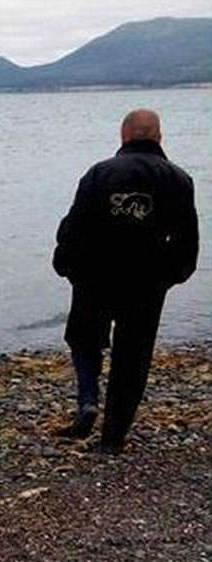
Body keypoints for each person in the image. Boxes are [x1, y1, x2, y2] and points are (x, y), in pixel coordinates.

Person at [52, 108, 198, 454]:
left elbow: (75, 226)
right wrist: (171, 276)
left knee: (83, 338)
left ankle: (88, 400)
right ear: (159, 138)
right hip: (146, 282)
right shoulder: (178, 179)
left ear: (123, 136)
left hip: (94, 276)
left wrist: (65, 263)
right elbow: (187, 241)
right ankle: (112, 439)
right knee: (133, 357)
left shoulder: (99, 174)